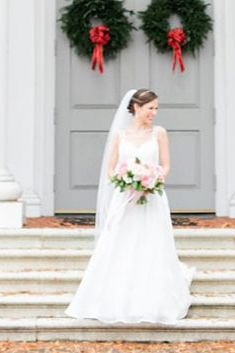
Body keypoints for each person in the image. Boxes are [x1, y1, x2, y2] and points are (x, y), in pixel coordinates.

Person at [64, 87, 195, 325]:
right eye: (150, 108)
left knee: (151, 242)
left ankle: (155, 298)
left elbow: (165, 165)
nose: (154, 113)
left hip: (151, 198)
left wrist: (151, 181)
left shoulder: (159, 133)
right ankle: (115, 298)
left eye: (156, 108)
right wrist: (127, 181)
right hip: (125, 199)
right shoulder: (120, 136)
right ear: (136, 107)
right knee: (120, 244)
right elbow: (111, 168)